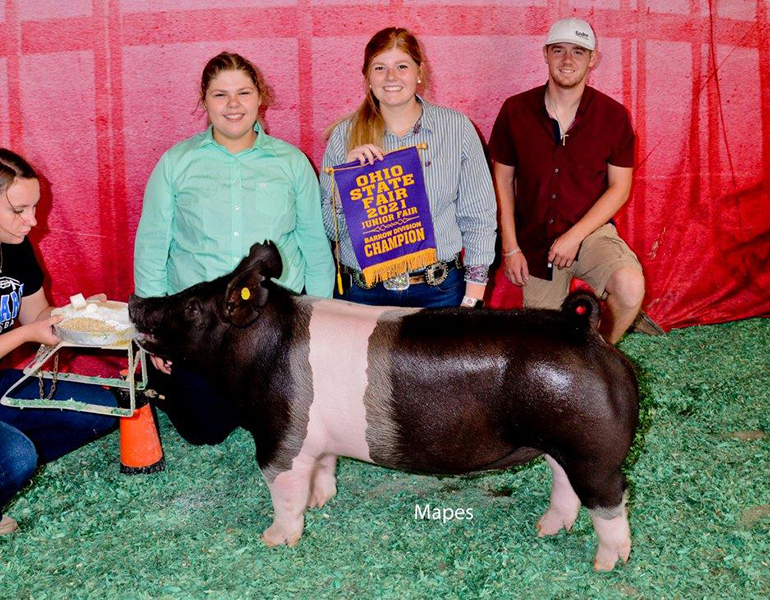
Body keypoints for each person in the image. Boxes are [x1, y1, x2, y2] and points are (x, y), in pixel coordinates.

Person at [134, 52, 334, 445]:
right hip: (201, 324)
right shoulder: (176, 163)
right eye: (220, 94)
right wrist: (156, 332)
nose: (233, 104)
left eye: (243, 92)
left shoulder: (292, 163)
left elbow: (314, 241)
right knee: (204, 431)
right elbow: (153, 245)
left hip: (273, 319)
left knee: (284, 424)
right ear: (204, 101)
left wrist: (321, 322)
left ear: (260, 97)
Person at [489, 17, 645, 343]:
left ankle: (598, 356)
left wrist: (575, 236)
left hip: (590, 232)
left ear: (593, 59)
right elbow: (502, 181)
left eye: (578, 51)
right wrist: (511, 247)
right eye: (558, 49)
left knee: (630, 287)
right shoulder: (515, 111)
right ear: (545, 54)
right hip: (535, 241)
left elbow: (620, 187)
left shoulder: (613, 116)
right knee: (544, 344)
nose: (567, 59)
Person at [320, 27, 497, 308]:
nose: (391, 77)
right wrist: (347, 185)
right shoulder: (344, 136)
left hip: (438, 292)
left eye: (401, 66)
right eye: (380, 67)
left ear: (419, 72)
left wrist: (472, 299)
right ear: (367, 76)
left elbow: (479, 218)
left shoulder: (456, 128)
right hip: (363, 295)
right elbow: (330, 231)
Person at [0, 149, 117, 536]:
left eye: (34, 207)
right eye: (19, 210)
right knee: (16, 456)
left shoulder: (15, 246)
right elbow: (29, 331)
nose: (32, 221)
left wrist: (77, 315)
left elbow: (36, 318)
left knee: (99, 408)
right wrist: (28, 334)